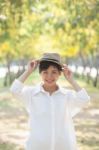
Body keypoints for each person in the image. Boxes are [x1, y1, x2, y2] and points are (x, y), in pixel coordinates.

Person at [10, 53, 90, 150]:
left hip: (64, 146)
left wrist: (71, 80)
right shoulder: (31, 93)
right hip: (37, 146)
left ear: (60, 74)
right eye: (45, 72)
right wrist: (28, 71)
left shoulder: (67, 95)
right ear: (40, 73)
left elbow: (85, 100)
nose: (49, 76)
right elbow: (14, 90)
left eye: (54, 72)